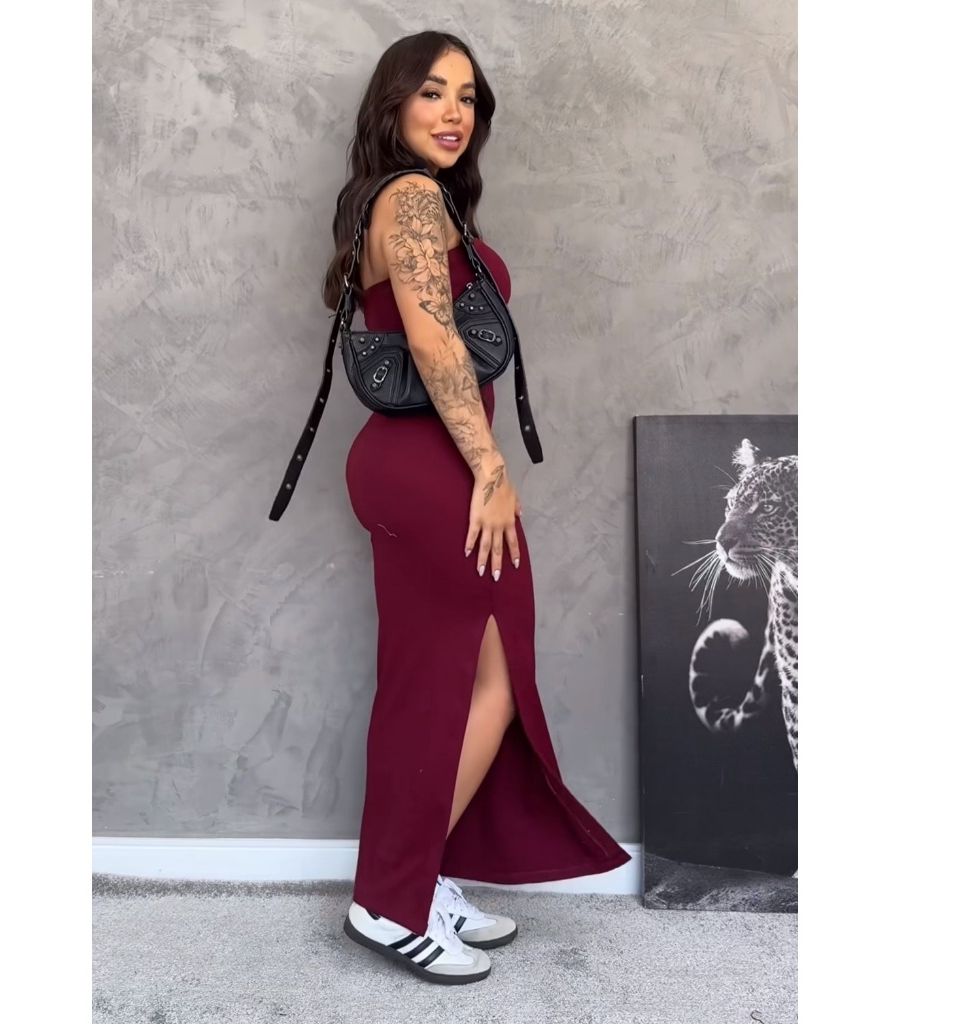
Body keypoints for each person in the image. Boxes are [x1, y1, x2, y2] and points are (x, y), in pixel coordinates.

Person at [321, 31, 631, 984]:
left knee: (452, 681)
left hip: (420, 465)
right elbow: (433, 343)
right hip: (436, 469)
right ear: (394, 103)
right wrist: (490, 469)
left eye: (467, 96)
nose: (454, 111)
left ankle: (412, 882)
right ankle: (388, 899)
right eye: (432, 91)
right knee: (467, 685)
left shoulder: (411, 199)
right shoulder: (412, 199)